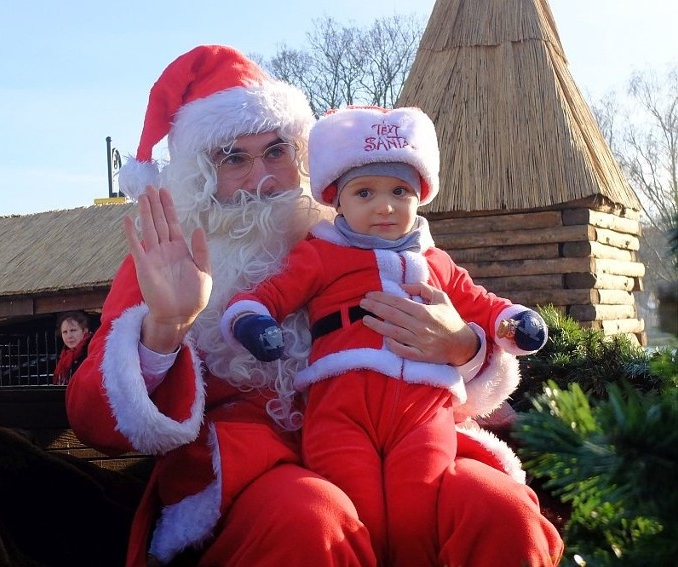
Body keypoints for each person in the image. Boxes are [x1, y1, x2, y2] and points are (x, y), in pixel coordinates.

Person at [65, 44, 563, 566]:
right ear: (197, 173)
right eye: (233, 157)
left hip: (408, 434)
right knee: (312, 523)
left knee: (501, 514)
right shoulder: (163, 258)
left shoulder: (358, 230)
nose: (263, 177)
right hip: (254, 461)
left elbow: (467, 306)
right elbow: (94, 422)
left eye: (277, 151)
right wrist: (165, 326)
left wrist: (462, 346)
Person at [220, 105, 549, 565]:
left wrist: (514, 321)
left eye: (400, 190)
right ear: (338, 201)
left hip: (422, 407)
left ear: (420, 195)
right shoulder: (321, 254)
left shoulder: (435, 262)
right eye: (365, 192)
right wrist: (253, 322)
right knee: (358, 508)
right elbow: (270, 294)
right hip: (341, 404)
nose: (385, 205)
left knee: (421, 505)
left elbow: (478, 300)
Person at [53, 310, 92, 385]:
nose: (69, 336)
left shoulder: (91, 351)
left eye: (73, 330)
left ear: (85, 331)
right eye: (65, 332)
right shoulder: (65, 354)